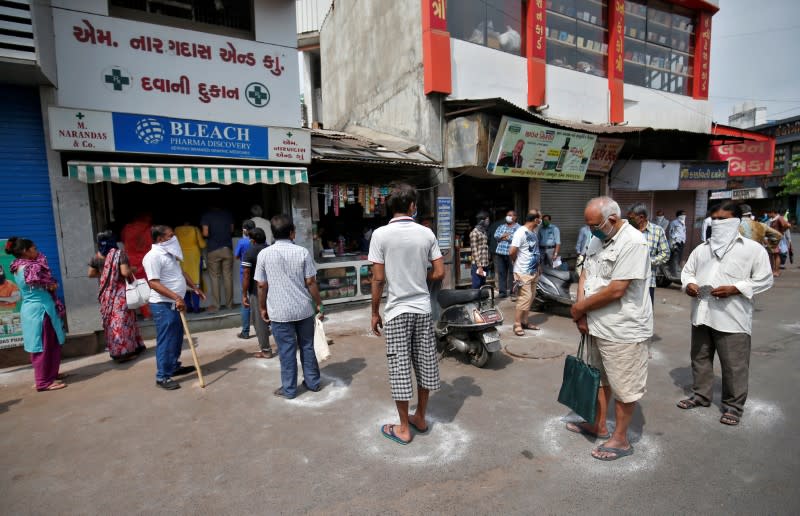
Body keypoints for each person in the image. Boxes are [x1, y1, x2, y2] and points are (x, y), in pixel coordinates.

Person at [567, 197, 652, 461]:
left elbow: (617, 289)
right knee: (599, 379)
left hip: (623, 329)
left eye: (594, 225)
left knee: (624, 386)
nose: (591, 230)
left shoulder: (633, 242)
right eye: (588, 225)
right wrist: (581, 311)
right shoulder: (597, 240)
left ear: (612, 220)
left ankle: (621, 439)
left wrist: (580, 309)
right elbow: (585, 274)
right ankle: (598, 424)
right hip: (595, 325)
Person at [678, 202, 773, 426]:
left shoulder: (752, 250)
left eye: (723, 219)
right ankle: (701, 395)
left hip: (732, 317)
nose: (717, 223)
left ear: (737, 221)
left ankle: (734, 406)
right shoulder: (702, 249)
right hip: (702, 314)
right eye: (715, 219)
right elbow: (687, 272)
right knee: (700, 358)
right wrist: (690, 285)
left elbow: (764, 279)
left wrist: (735, 288)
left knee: (734, 365)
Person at [368, 183, 445, 445]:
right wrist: (419, 279)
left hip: (397, 311)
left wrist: (374, 312)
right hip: (423, 309)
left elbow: (378, 279)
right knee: (424, 364)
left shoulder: (380, 234)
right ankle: (420, 417)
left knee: (400, 368)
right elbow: (440, 272)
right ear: (412, 206)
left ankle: (403, 427)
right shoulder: (426, 234)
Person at [255, 215, 323, 399]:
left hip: (279, 312)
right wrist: (319, 304)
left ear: (273, 234)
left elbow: (262, 285)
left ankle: (289, 389)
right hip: (303, 309)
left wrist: (262, 307)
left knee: (286, 351)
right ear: (292, 233)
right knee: (307, 346)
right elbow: (311, 282)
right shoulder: (302, 252)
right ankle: (313, 382)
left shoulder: (264, 254)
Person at [143, 225, 206, 390]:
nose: (174, 238)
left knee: (177, 337)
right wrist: (176, 297)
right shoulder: (153, 257)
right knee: (166, 340)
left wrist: (195, 288)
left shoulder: (170, 254)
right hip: (163, 305)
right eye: (171, 236)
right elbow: (153, 283)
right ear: (160, 239)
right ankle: (162, 376)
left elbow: (181, 273)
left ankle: (174, 366)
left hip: (176, 303)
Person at [5, 237, 67, 391]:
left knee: (45, 344)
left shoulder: (17, 266)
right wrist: (53, 285)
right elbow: (49, 284)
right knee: (44, 346)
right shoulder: (31, 268)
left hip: (32, 309)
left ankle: (49, 375)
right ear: (25, 251)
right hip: (40, 311)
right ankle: (43, 382)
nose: (37, 251)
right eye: (33, 248)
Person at [88, 231, 145, 362]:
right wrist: (134, 270)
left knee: (111, 323)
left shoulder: (96, 257)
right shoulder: (119, 254)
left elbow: (91, 274)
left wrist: (105, 274)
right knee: (123, 322)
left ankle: (116, 351)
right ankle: (124, 353)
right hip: (119, 294)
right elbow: (125, 272)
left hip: (106, 294)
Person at [627, 203, 670, 306]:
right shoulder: (627, 230)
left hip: (648, 282)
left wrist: (647, 262)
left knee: (646, 315)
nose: (629, 221)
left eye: (631, 218)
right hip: (626, 281)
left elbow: (665, 254)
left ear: (641, 217)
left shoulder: (657, 231)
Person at [241, 228, 273, 359]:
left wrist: (244, 294)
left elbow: (246, 275)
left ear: (252, 240)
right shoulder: (271, 249)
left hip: (257, 290)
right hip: (274, 288)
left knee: (260, 320)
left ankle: (266, 350)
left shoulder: (250, 252)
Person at [510, 210, 542, 336]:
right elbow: (512, 251)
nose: (540, 221)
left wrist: (538, 267)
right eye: (539, 218)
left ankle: (524, 321)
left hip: (533, 271)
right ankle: (517, 324)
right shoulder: (520, 232)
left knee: (531, 297)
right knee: (524, 297)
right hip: (522, 271)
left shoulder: (533, 232)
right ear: (536, 220)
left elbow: (535, 251)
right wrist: (516, 262)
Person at [201, 206, 234, 310]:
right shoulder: (228, 215)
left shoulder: (206, 216)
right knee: (228, 277)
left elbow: (205, 233)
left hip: (213, 249)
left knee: (215, 278)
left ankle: (216, 305)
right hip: (227, 248)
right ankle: (230, 304)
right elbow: (232, 230)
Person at [121, 212, 152, 319]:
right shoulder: (148, 229)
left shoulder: (127, 228)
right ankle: (151, 312)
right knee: (149, 285)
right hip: (145, 259)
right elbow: (150, 243)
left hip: (131, 260)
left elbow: (123, 239)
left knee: (135, 286)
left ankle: (143, 313)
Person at [175, 220, 206, 313]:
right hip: (194, 257)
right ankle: (196, 308)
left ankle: (188, 307)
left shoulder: (176, 230)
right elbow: (202, 244)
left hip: (181, 257)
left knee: (184, 282)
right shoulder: (195, 229)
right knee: (195, 283)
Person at [234, 220, 255, 339]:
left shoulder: (242, 242)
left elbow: (237, 256)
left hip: (245, 275)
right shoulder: (260, 241)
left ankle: (245, 332)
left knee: (245, 302)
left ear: (244, 230)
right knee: (259, 301)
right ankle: (265, 327)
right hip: (257, 275)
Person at [493, 210, 520, 298]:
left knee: (512, 273)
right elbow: (496, 235)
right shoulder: (501, 226)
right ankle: (502, 292)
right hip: (500, 253)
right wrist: (504, 236)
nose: (508, 217)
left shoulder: (518, 228)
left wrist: (503, 237)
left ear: (515, 217)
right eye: (507, 215)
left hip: (511, 254)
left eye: (510, 215)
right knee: (501, 272)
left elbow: (516, 238)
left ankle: (513, 292)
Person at [469, 211, 490, 289]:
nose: (488, 221)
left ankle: (481, 300)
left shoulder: (484, 232)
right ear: (482, 221)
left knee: (482, 284)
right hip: (478, 264)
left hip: (485, 263)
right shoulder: (474, 233)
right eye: (487, 220)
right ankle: (475, 300)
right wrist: (479, 266)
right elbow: (474, 251)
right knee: (476, 284)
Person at [768, 209, 791, 276]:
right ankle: (774, 270)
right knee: (772, 255)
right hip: (773, 239)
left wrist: (782, 231)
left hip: (777, 239)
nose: (768, 215)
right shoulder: (773, 219)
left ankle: (776, 271)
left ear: (772, 212)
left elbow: (788, 225)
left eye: (769, 213)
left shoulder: (779, 218)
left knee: (776, 255)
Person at [667, 209, 687, 276]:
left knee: (679, 257)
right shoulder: (674, 222)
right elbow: (670, 233)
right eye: (682, 214)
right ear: (679, 215)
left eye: (685, 214)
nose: (684, 216)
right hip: (675, 242)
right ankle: (673, 272)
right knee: (674, 257)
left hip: (681, 242)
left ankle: (676, 271)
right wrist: (672, 243)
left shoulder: (683, 223)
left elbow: (683, 233)